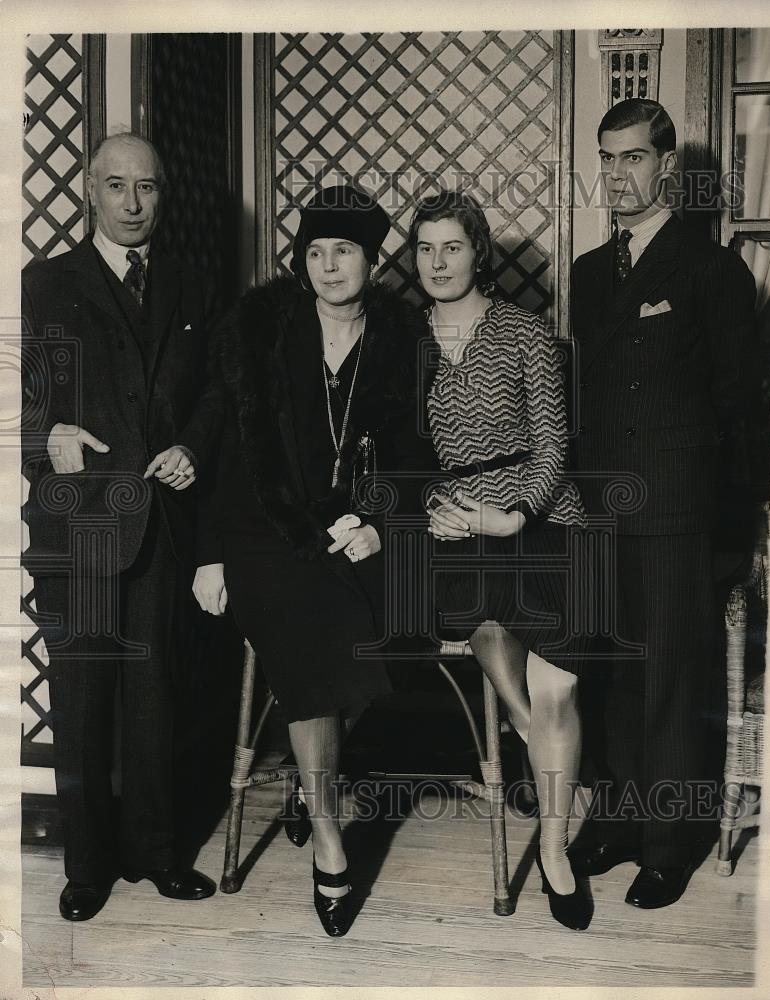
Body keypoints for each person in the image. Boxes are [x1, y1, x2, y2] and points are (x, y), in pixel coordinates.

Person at [192, 184, 436, 937]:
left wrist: (380, 523)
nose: (329, 267)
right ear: (301, 262)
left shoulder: (403, 338)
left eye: (345, 252)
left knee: (364, 615)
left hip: (357, 529)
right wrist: (210, 556)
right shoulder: (261, 329)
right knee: (309, 618)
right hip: (265, 531)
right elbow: (229, 448)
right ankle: (329, 833)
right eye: (316, 252)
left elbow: (416, 454)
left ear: (372, 260)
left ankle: (309, 782)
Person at [21, 133, 223, 920]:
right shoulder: (43, 285)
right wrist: (47, 439)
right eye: (116, 187)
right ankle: (86, 868)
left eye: (147, 188)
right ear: (88, 192)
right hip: (79, 528)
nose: (133, 205)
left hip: (161, 527)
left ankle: (155, 853)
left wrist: (191, 448)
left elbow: (213, 395)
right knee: (81, 706)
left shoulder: (191, 284)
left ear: (162, 194)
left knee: (154, 701)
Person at [569, 98, 756, 908]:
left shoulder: (711, 270)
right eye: (606, 160)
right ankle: (613, 820)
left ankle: (668, 843)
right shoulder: (584, 272)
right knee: (608, 672)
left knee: (673, 682)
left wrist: (735, 531)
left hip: (679, 510)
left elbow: (742, 409)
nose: (617, 176)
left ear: (667, 168)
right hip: (601, 509)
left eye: (633, 159)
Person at [409, 190, 592, 931]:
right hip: (455, 525)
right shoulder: (405, 339)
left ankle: (553, 852)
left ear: (477, 252)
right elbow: (395, 450)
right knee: (482, 625)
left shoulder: (523, 332)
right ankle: (531, 743)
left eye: (451, 246)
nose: (437, 262)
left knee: (555, 688)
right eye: (424, 248)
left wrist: (512, 514)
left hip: (541, 515)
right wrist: (433, 507)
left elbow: (553, 444)